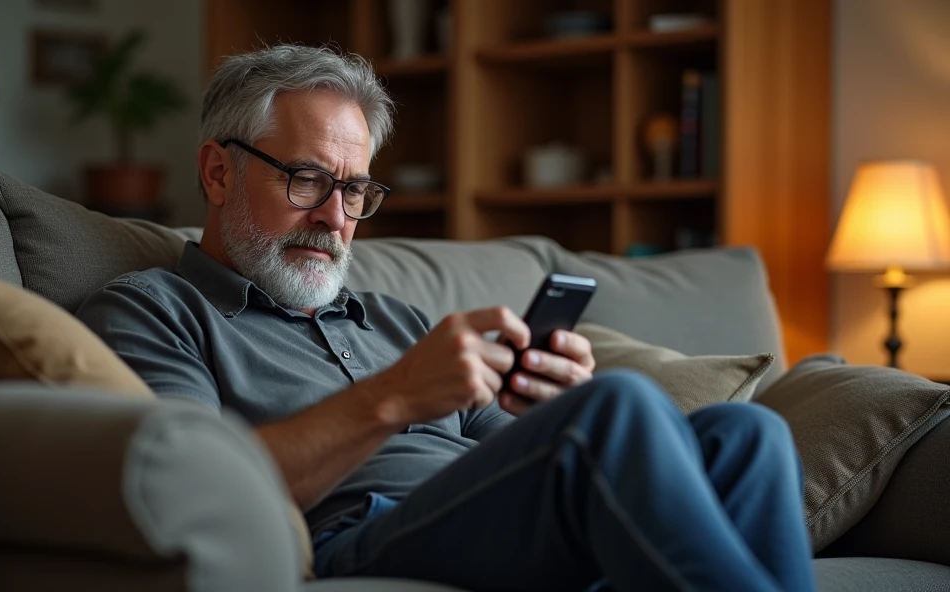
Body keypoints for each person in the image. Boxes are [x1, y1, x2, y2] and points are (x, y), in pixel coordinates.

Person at [76, 44, 815, 592]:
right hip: (351, 535)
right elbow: (197, 495)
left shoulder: (394, 320)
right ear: (216, 171)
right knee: (618, 409)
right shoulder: (155, 311)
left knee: (748, 434)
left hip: (480, 515)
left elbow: (517, 454)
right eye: (307, 180)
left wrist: (547, 406)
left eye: (355, 190)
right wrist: (394, 396)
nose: (336, 218)